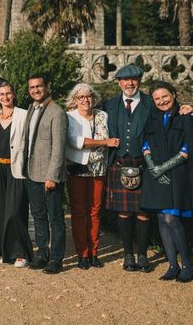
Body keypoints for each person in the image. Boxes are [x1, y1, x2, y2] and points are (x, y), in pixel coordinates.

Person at [102, 64, 154, 273]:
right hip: (119, 163)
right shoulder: (109, 105)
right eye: (125, 80)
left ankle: (142, 254)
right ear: (119, 82)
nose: (130, 83)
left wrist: (187, 109)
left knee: (143, 213)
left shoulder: (151, 104)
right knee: (123, 212)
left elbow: (172, 113)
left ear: (140, 81)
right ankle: (127, 254)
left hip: (144, 164)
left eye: (134, 79)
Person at [141, 82, 193, 282]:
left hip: (178, 175)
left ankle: (187, 264)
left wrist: (162, 168)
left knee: (172, 218)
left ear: (174, 94)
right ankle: (172, 265)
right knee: (162, 219)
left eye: (165, 96)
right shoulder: (152, 117)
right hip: (155, 175)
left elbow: (188, 148)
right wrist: (153, 167)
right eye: (157, 98)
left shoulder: (186, 116)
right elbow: (145, 143)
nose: (162, 101)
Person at [0, 81, 33, 267]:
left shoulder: (24, 115)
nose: (5, 97)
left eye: (8, 93)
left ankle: (21, 253)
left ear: (13, 94)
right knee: (0, 210)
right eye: (1, 94)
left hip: (16, 168)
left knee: (15, 211)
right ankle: (5, 251)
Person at [65, 83, 118, 270]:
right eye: (81, 97)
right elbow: (76, 142)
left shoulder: (103, 116)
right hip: (77, 168)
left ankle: (94, 252)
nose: (85, 100)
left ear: (93, 98)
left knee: (95, 211)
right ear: (75, 100)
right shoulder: (69, 117)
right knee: (79, 212)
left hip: (98, 168)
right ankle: (82, 254)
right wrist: (105, 142)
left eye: (88, 96)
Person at [24, 74, 68, 275]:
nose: (35, 90)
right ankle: (42, 253)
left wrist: (53, 176)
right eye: (32, 87)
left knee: (55, 218)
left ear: (47, 87)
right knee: (38, 216)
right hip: (32, 172)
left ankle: (57, 259)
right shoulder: (31, 109)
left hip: (50, 175)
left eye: (39, 86)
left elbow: (59, 148)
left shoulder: (57, 112)